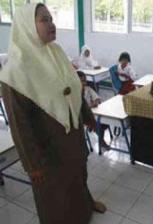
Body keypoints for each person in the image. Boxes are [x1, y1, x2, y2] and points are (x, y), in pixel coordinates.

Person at [0, 4, 106, 224]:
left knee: (78, 176)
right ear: (27, 26)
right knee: (55, 194)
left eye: (51, 18)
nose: (52, 24)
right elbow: (20, 125)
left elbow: (73, 87)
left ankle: (85, 207)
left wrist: (87, 114)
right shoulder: (14, 72)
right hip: (47, 145)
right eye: (44, 20)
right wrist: (32, 164)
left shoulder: (55, 52)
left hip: (72, 135)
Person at [77, 70, 111, 149]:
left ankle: (93, 128)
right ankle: (102, 142)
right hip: (82, 116)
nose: (84, 83)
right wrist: (91, 106)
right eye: (81, 81)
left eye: (84, 81)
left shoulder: (88, 89)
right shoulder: (75, 94)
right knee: (97, 124)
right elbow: (80, 109)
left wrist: (96, 101)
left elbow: (97, 98)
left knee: (104, 122)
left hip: (92, 112)